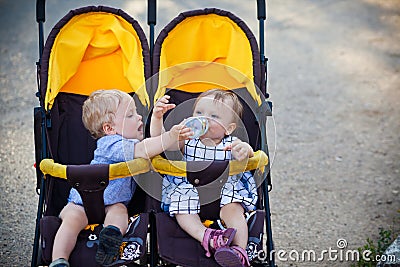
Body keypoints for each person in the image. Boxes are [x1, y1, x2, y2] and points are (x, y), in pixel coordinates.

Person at [49, 89, 192, 267]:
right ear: (109, 129)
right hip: (81, 202)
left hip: (114, 203)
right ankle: (59, 259)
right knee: (71, 222)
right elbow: (144, 149)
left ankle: (110, 239)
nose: (139, 117)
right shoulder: (110, 144)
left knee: (119, 215)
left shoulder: (131, 144)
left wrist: (160, 122)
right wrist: (170, 136)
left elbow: (152, 146)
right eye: (130, 115)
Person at [150, 89, 257, 267]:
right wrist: (157, 117)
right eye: (199, 113)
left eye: (213, 115)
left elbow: (247, 153)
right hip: (190, 189)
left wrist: (245, 150)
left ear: (229, 128)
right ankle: (207, 237)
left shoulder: (231, 143)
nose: (203, 119)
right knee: (181, 205)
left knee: (234, 210)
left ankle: (239, 251)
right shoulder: (188, 140)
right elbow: (161, 142)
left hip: (224, 191)